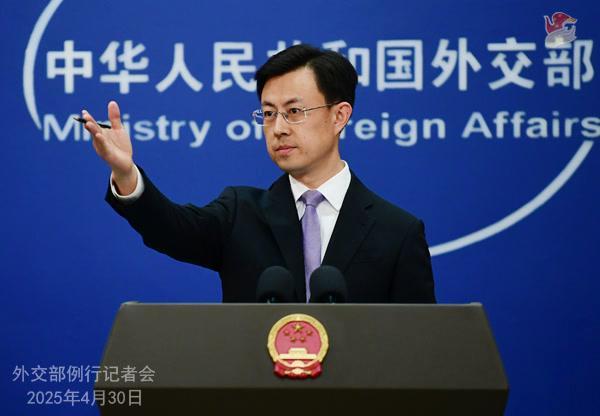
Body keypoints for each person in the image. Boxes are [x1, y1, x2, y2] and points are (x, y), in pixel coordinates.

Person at [82, 44, 436, 303]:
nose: (278, 128)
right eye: (268, 114)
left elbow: (418, 347)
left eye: (294, 111)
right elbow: (171, 229)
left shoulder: (397, 232)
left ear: (339, 116)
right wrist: (126, 174)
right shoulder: (241, 213)